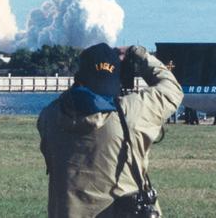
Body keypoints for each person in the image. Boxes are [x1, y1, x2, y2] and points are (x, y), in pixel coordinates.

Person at [37, 43, 183, 218]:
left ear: (80, 77)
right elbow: (172, 89)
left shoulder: (50, 116)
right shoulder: (130, 114)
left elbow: (73, 98)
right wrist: (137, 54)